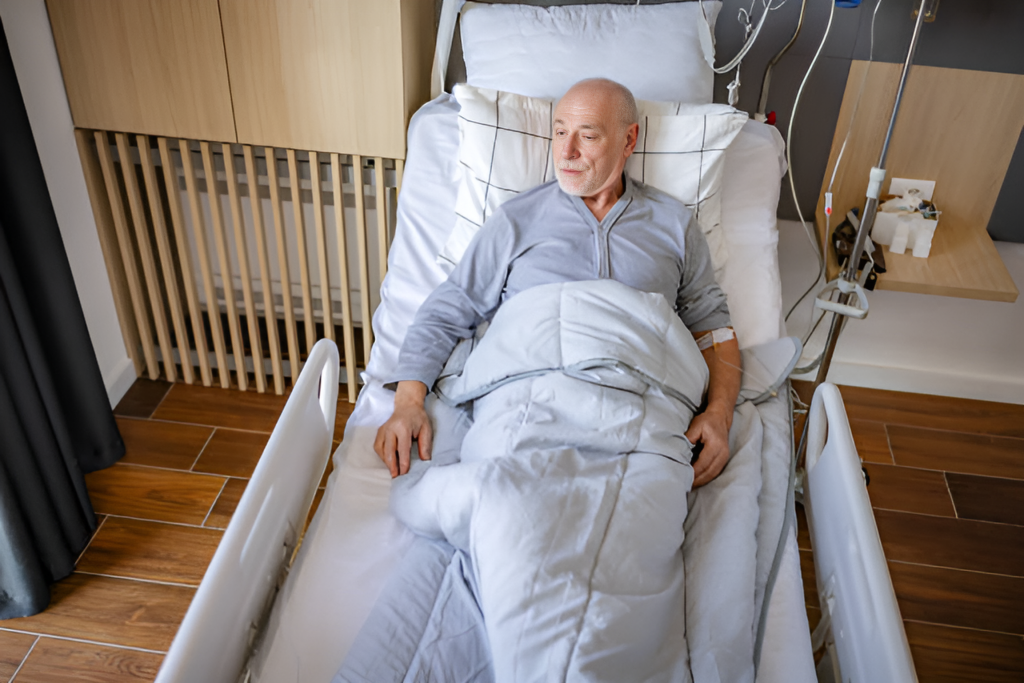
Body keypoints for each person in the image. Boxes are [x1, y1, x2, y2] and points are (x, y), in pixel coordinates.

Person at [375, 78, 741, 487]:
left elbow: (713, 329)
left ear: (629, 139)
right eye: (560, 132)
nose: (566, 152)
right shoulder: (516, 220)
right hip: (529, 399)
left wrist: (719, 415)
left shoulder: (674, 224)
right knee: (507, 502)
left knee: (640, 512)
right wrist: (407, 403)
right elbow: (448, 310)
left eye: (587, 136)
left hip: (639, 407)